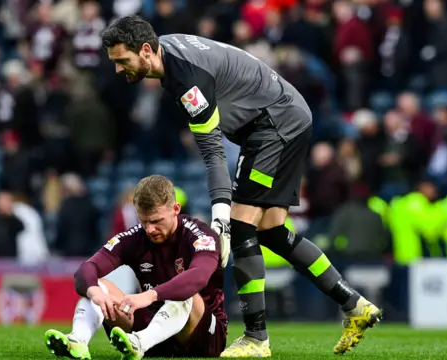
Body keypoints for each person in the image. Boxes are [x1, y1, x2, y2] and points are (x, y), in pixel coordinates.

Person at [100, 16, 382, 357]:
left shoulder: (188, 80)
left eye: (121, 61)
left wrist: (220, 216)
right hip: (283, 118)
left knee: (240, 224)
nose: (118, 69)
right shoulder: (169, 52)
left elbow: (213, 153)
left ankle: (256, 338)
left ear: (145, 51)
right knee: (273, 232)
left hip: (272, 125)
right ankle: (355, 305)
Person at [44, 175, 227, 360]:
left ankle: (140, 343)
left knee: (185, 293)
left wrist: (149, 295)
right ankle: (78, 341)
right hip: (156, 332)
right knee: (99, 286)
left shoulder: (200, 235)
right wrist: (94, 292)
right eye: (144, 221)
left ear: (176, 209)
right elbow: (86, 269)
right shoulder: (135, 237)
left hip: (203, 339)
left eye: (156, 221)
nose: (150, 229)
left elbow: (199, 276)